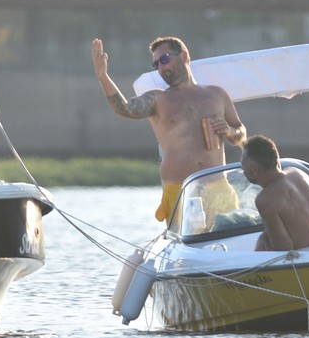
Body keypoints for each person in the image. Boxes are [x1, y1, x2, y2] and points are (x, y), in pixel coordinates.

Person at [91, 36, 245, 223]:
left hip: (217, 187)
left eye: (164, 60)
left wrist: (229, 130)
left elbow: (241, 135)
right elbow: (124, 109)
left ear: (184, 55)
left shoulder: (216, 95)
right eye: (156, 65)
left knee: (229, 237)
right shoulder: (158, 99)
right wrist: (102, 76)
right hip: (180, 190)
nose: (161, 68)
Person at [240, 134, 309, 251]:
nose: (242, 169)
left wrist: (262, 241)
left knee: (262, 243)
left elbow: (284, 247)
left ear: (254, 169)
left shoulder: (264, 200)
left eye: (243, 164)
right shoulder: (296, 172)